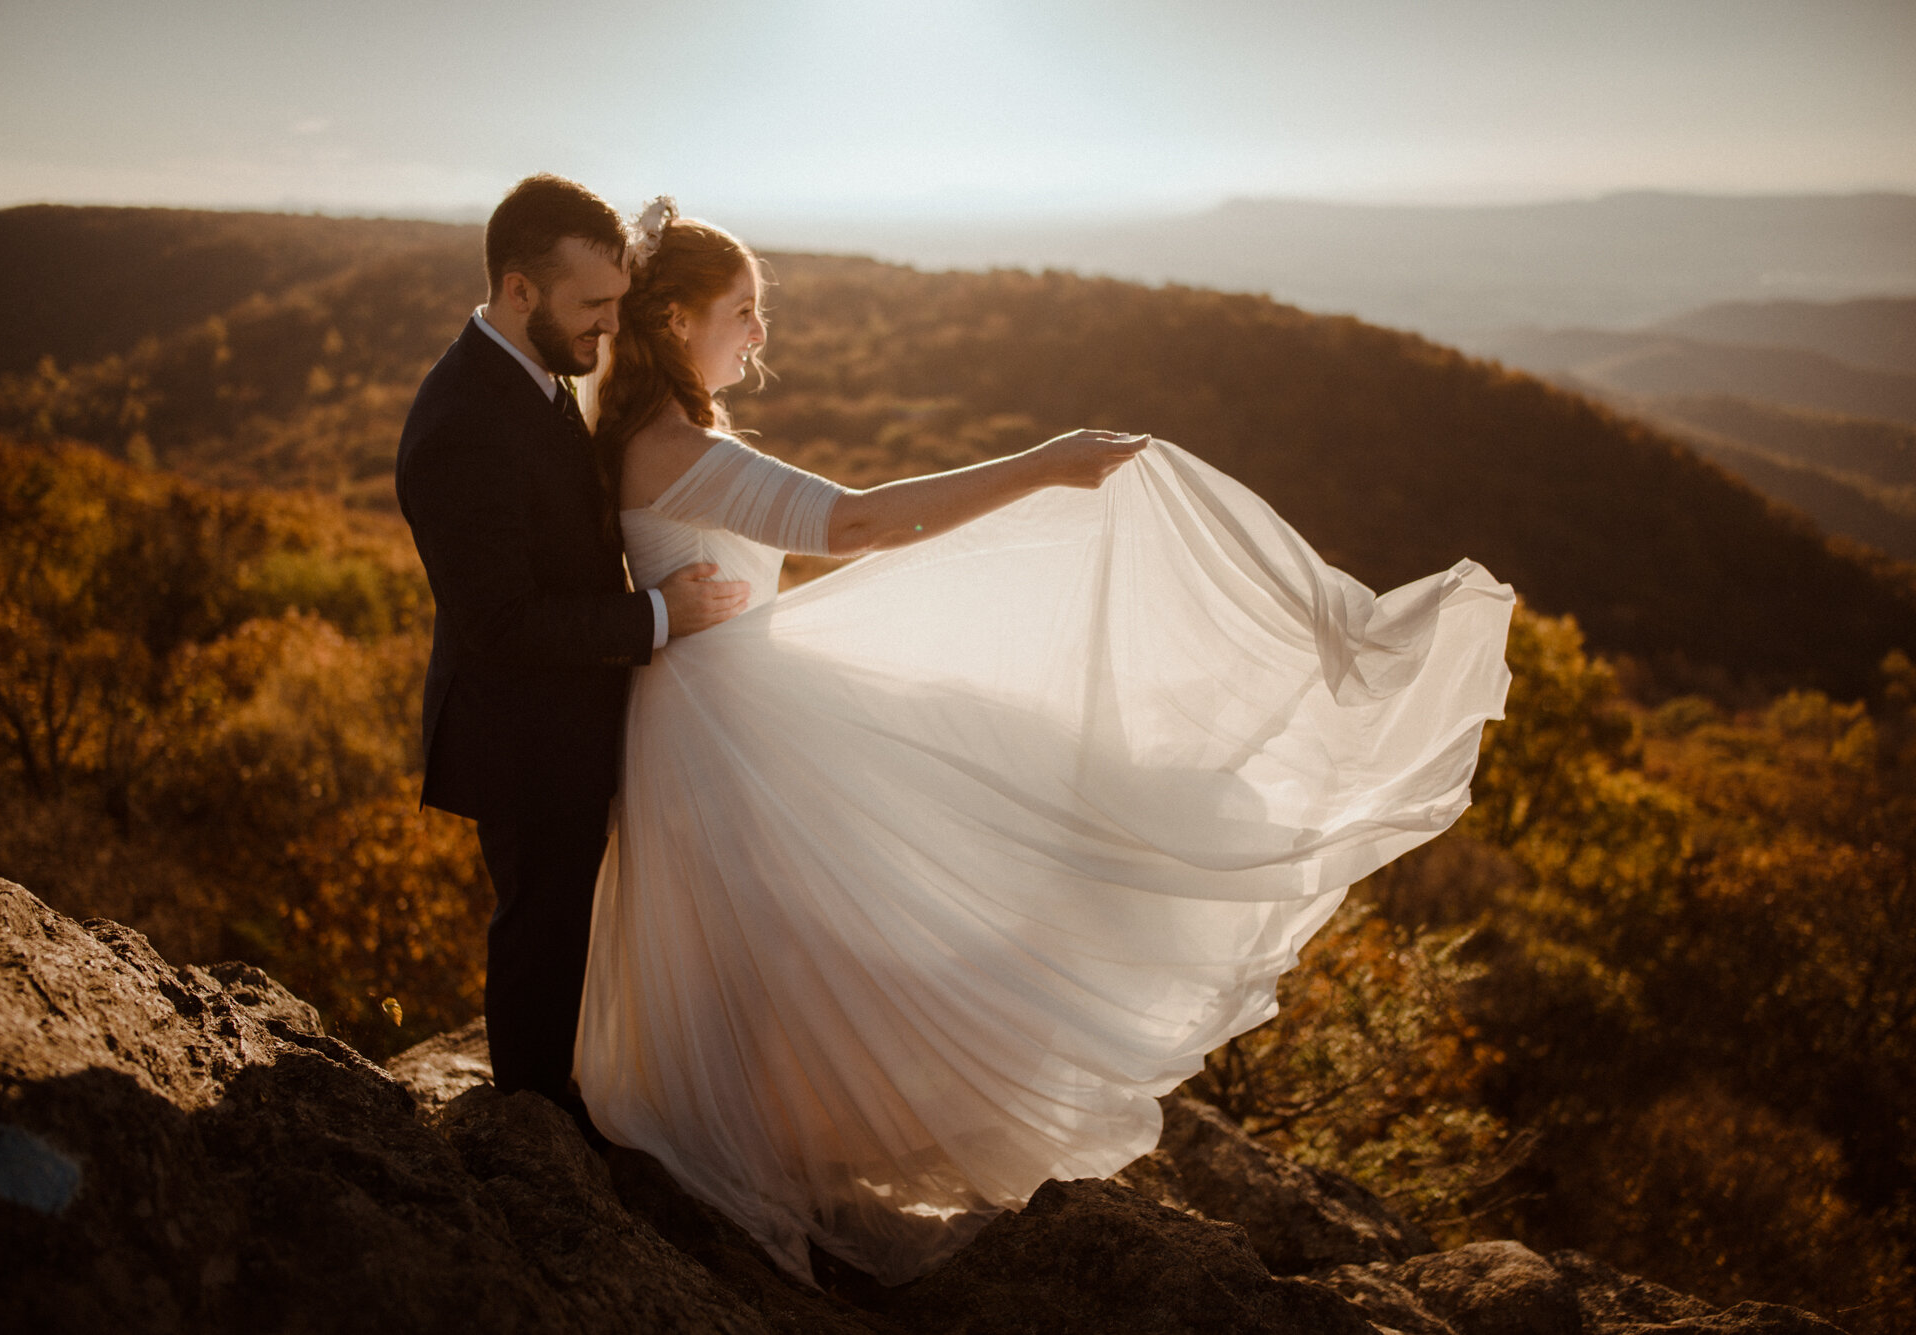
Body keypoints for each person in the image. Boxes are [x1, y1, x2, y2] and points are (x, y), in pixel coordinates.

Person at [574, 201, 1517, 1286]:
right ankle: (760, 1167)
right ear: (678, 316)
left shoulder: (662, 436)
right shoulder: (675, 446)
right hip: (719, 727)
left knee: (800, 942)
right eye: (741, 312)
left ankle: (787, 1151)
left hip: (720, 704)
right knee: (816, 932)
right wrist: (1043, 465)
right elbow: (855, 526)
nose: (757, 336)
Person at [393, 175, 751, 1115]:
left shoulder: (539, 375)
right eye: (592, 304)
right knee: (542, 930)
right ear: (519, 290)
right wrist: (659, 613)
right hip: (521, 734)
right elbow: (500, 626)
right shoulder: (462, 421)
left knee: (569, 926)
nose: (609, 325)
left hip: (572, 717)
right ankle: (533, 1131)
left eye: (618, 302)